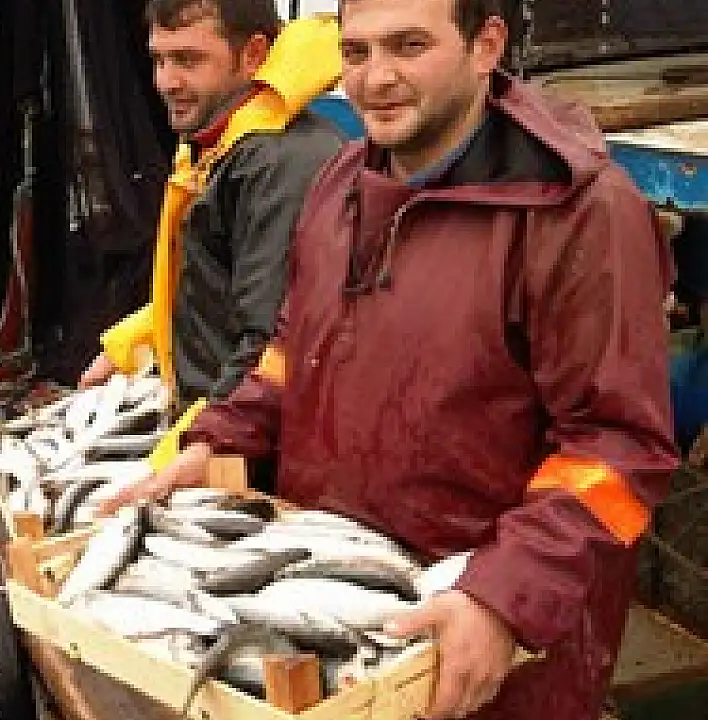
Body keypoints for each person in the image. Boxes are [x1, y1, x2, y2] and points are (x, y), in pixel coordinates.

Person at [100, 0, 678, 718]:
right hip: (334, 625)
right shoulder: (338, 185)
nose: (375, 78)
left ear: (485, 45)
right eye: (357, 52)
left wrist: (504, 596)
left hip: (486, 659)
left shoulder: (581, 213)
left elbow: (617, 446)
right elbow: (290, 351)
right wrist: (222, 436)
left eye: (408, 46)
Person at [77, 0, 344, 467]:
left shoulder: (277, 166)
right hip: (217, 428)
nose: (166, 81)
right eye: (159, 59)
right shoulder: (223, 142)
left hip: (251, 455)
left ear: (253, 55)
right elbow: (218, 287)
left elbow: (268, 342)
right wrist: (130, 345)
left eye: (188, 59)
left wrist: (189, 451)